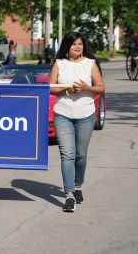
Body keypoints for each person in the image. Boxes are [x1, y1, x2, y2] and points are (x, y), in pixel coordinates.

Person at [49, 32, 105, 212]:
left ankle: (78, 185)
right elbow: (51, 88)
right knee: (67, 155)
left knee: (81, 154)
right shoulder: (59, 64)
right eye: (74, 44)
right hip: (62, 114)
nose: (78, 47)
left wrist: (86, 88)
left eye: (80, 44)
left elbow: (101, 87)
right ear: (67, 46)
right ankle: (69, 195)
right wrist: (66, 90)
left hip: (85, 115)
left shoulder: (90, 64)